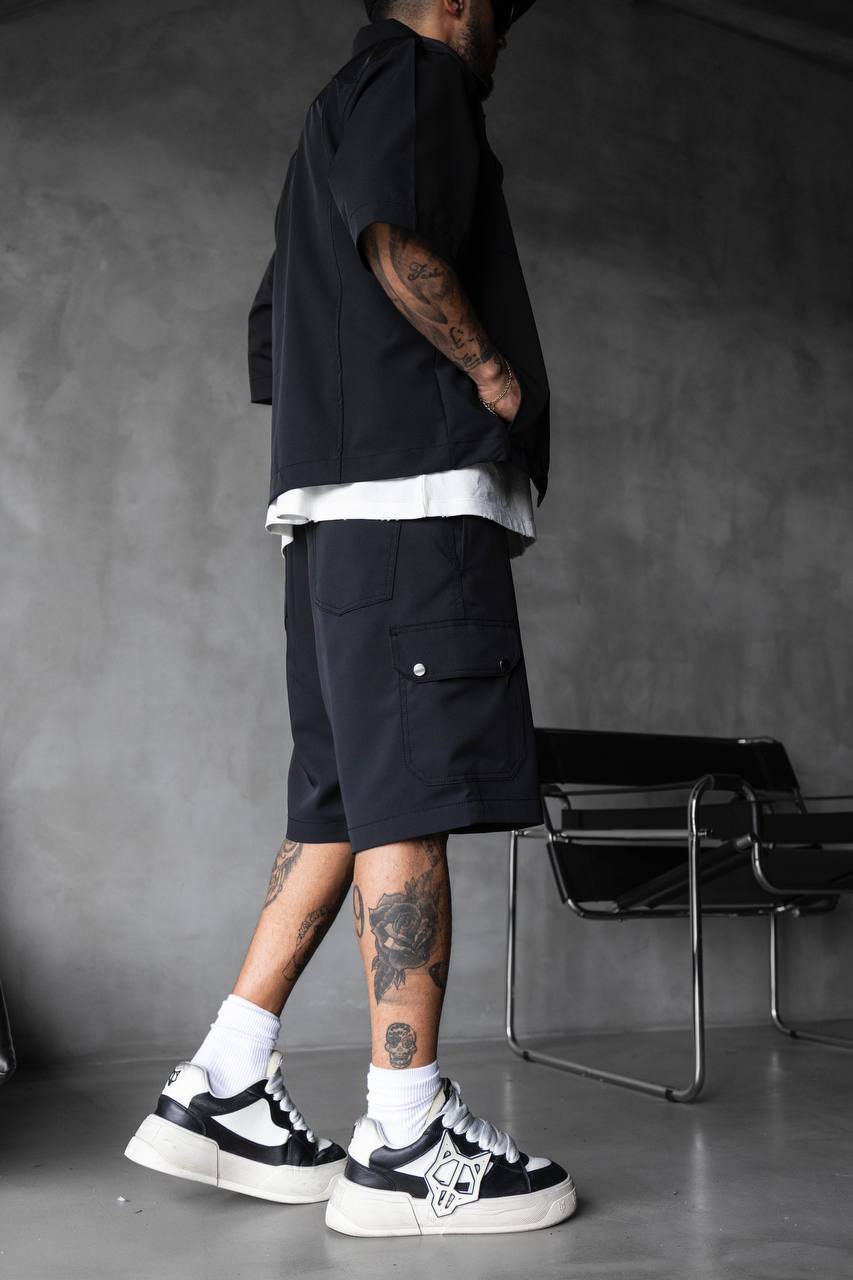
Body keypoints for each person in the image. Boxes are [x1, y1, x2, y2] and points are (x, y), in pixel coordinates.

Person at [124, 0, 576, 1236]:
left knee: (343, 793)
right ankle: (406, 1136)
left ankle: (223, 1078)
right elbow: (395, 235)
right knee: (410, 793)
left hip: (332, 516)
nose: (504, 34)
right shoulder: (418, 79)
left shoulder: (332, 111)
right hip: (410, 504)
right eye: (503, 14)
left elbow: (275, 329)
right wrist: (487, 374)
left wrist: (346, 422)